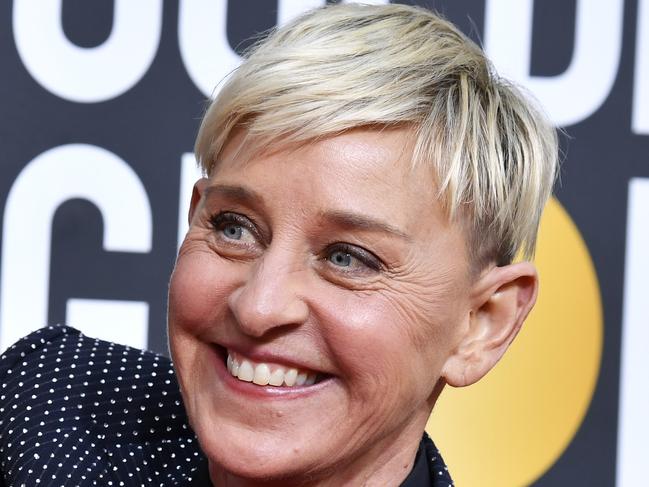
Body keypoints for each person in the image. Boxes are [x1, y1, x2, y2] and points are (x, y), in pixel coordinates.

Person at [0, 3, 557, 486]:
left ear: (482, 322)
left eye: (348, 259)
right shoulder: (47, 412)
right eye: (234, 228)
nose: (259, 306)